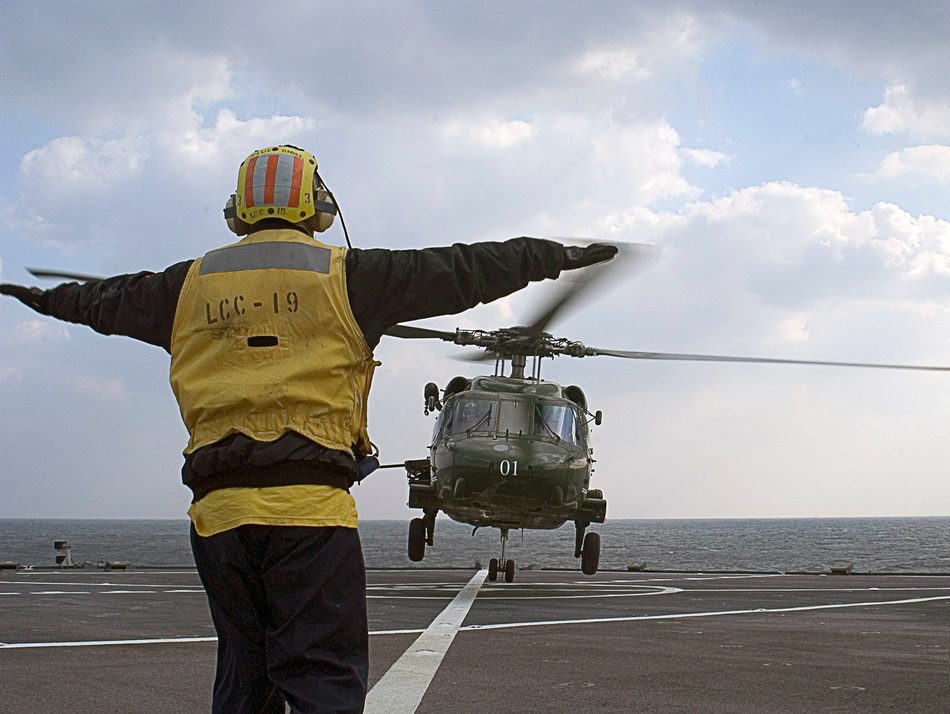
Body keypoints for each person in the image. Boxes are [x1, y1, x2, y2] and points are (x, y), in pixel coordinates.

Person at [0, 144, 617, 713]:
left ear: (237, 211)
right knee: (322, 677)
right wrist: (553, 257)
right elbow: (465, 268)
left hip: (218, 519)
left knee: (244, 676)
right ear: (317, 207)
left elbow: (101, 302)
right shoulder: (351, 275)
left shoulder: (183, 286)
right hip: (310, 514)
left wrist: (41, 298)